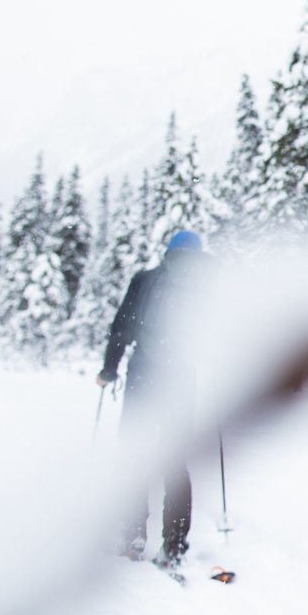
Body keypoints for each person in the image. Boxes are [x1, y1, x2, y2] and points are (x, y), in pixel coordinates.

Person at [98, 229, 207, 571]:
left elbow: (123, 327)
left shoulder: (147, 280)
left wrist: (109, 369)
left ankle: (132, 535)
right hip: (181, 383)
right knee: (175, 463)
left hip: (144, 377)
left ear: (169, 252)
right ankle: (173, 547)